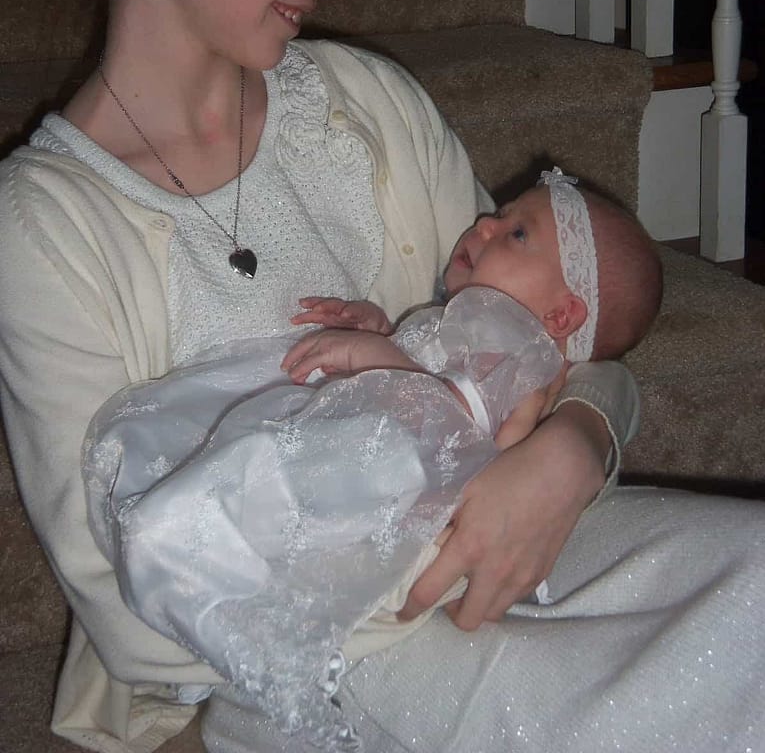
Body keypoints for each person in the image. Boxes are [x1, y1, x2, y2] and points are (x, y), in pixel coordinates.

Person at [0, 0, 764, 752]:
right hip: (301, 662)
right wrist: (434, 544)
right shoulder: (43, 227)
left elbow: (557, 339)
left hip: (513, 548)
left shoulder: (364, 106)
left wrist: (574, 449)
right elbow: (139, 620)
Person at [81, 169, 663, 750]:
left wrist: (382, 359)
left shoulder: (523, 355)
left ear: (561, 317)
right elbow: (433, 366)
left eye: (516, 234)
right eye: (501, 214)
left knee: (239, 506)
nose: (486, 223)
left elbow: (477, 450)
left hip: (389, 478)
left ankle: (227, 626)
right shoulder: (466, 322)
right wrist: (382, 328)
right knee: (229, 492)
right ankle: (210, 610)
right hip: (353, 445)